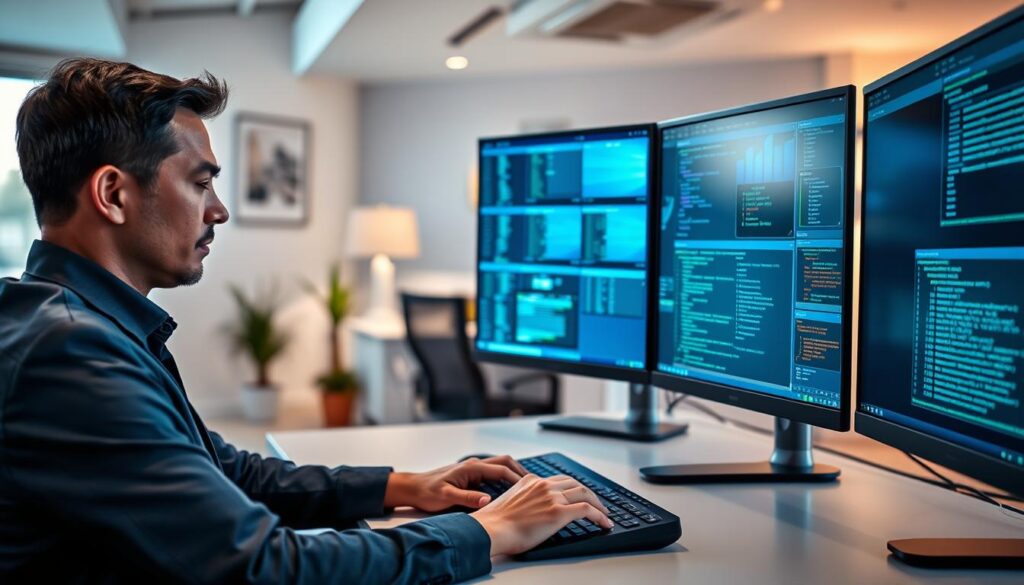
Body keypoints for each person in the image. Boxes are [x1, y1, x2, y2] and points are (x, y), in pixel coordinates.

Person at [0, 58, 612, 584]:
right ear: (112, 194)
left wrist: (405, 486)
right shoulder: (73, 352)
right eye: (200, 182)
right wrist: (485, 531)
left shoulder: (83, 325)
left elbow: (222, 471)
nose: (220, 210)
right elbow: (263, 567)